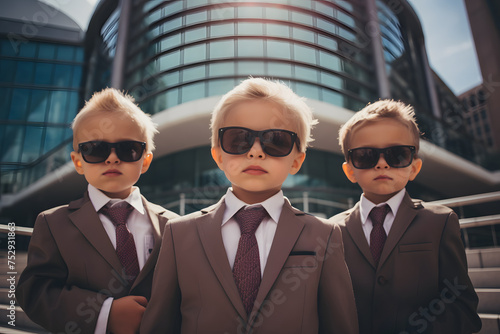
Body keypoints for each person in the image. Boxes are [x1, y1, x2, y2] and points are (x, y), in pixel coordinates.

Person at [141, 78, 358, 334]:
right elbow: (159, 326)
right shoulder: (179, 234)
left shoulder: (325, 235)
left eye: (276, 140)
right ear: (219, 155)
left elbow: (341, 326)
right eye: (238, 139)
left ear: (297, 161)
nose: (256, 152)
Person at [16, 88, 179, 334]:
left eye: (128, 149)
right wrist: (106, 313)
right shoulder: (53, 223)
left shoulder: (175, 225)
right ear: (78, 161)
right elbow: (35, 291)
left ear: (144, 160)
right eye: (96, 149)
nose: (112, 158)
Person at [330, 99, 481, 333]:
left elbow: (461, 307)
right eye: (366, 155)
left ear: (414, 168)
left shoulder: (440, 222)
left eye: (397, 154)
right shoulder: (330, 230)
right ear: (350, 171)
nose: (381, 164)